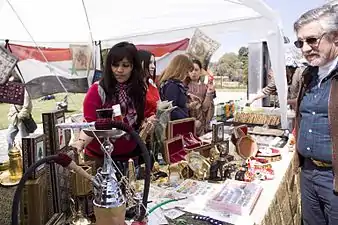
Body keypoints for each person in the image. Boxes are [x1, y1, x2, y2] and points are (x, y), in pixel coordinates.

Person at [71, 42, 150, 170]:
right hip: (100, 160)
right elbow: (89, 124)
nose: (119, 70)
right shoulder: (97, 90)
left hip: (130, 157)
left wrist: (146, 125)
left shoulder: (138, 91)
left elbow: (138, 120)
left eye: (125, 65)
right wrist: (80, 143)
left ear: (133, 67)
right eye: (115, 65)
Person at [293, 5, 338, 225]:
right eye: (300, 42)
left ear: (335, 38)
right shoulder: (307, 76)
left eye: (312, 40)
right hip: (308, 172)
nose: (305, 48)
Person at [158, 54, 193, 121]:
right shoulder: (172, 85)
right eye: (186, 72)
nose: (187, 75)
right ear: (181, 69)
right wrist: (186, 118)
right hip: (176, 125)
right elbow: (171, 110)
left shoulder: (172, 84)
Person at [186, 59, 215, 135]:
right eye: (191, 70)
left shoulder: (205, 87)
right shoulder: (184, 87)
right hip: (188, 125)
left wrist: (209, 92)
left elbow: (205, 108)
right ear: (187, 72)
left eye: (196, 70)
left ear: (201, 71)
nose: (193, 72)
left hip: (202, 124)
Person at [6, 74, 32, 151]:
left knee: (24, 139)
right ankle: (12, 154)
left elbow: (27, 106)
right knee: (9, 136)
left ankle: (27, 155)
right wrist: (11, 116)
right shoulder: (12, 93)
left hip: (22, 119)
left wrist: (20, 116)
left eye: (11, 83)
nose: (9, 85)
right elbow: (12, 107)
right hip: (14, 119)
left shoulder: (25, 93)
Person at [138, 50, 160, 119]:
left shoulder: (151, 83)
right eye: (150, 63)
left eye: (154, 63)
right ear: (141, 63)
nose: (153, 66)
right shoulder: (134, 86)